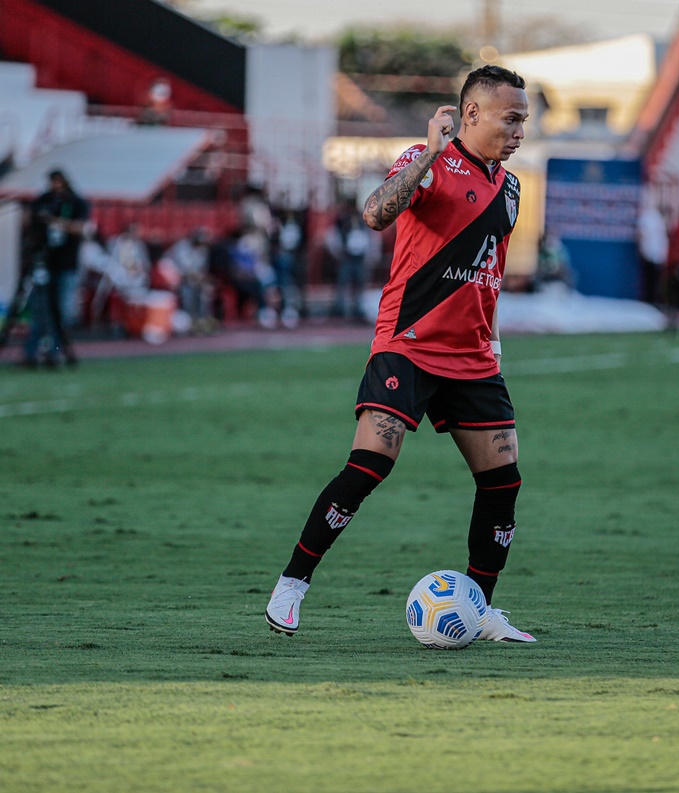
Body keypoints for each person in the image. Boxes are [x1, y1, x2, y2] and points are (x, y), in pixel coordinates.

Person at [264, 64, 536, 643]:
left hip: (473, 358)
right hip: (408, 344)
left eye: (523, 121)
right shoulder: (426, 160)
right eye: (509, 119)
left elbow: (488, 270)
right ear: (470, 114)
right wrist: (427, 158)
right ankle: (293, 583)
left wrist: (490, 333)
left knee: (503, 481)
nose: (519, 131)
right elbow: (375, 213)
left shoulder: (511, 188)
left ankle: (479, 610)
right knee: (370, 465)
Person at [21, 169, 88, 367]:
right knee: (40, 310)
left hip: (66, 264)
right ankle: (33, 353)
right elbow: (29, 221)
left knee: (63, 312)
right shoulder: (43, 200)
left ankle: (55, 351)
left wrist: (56, 221)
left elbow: (81, 228)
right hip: (44, 263)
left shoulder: (75, 202)